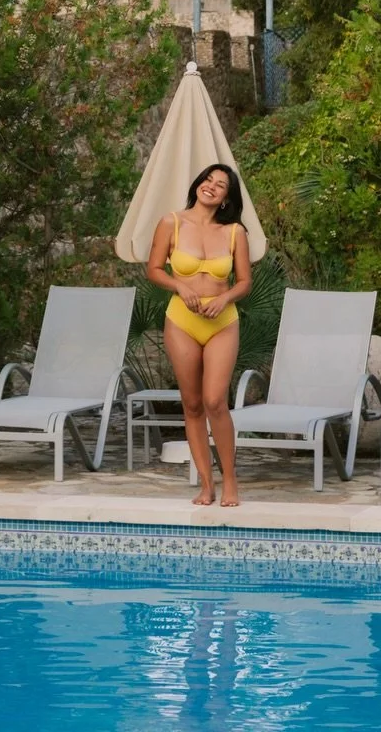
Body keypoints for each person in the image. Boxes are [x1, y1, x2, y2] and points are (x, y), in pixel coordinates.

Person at [147, 163, 253, 507]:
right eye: (208, 179)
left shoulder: (235, 232)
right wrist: (178, 285)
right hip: (181, 320)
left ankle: (231, 481)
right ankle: (206, 485)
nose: (211, 186)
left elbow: (244, 282)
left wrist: (224, 297)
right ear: (198, 184)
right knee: (192, 405)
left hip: (222, 322)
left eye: (220, 185)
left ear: (225, 198)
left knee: (214, 401)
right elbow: (153, 269)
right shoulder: (171, 222)